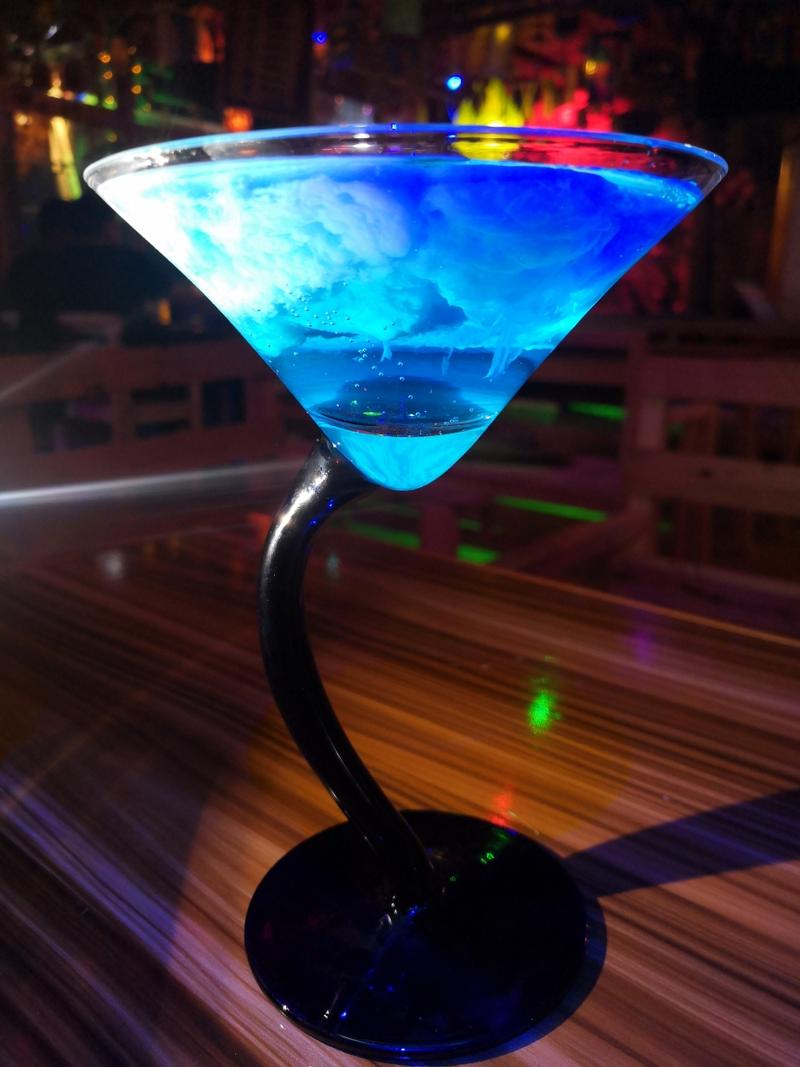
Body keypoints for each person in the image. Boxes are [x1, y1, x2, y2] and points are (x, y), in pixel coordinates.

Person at [1, 195, 176, 348]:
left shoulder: (30, 265)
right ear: (109, 227)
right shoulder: (130, 261)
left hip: (39, 363)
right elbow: (179, 295)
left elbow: (10, 314)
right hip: (131, 361)